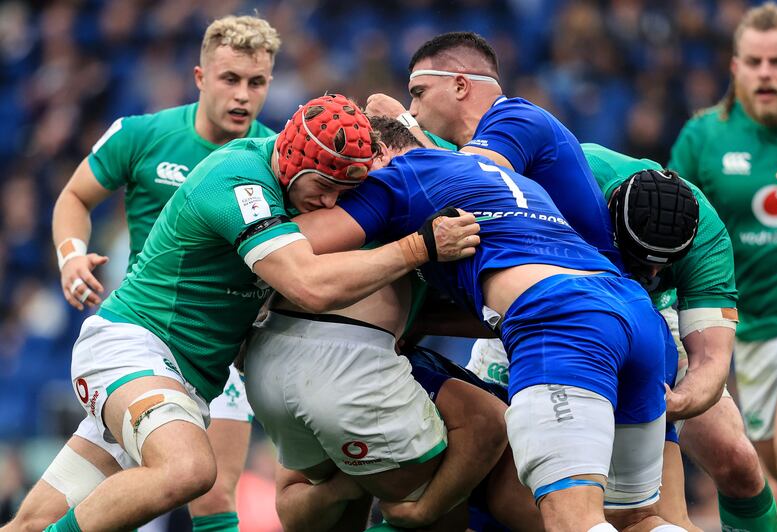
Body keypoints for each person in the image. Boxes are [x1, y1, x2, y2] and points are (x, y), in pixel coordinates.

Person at [12, 94, 480, 532]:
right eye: (325, 187)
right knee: (189, 470)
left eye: (345, 192)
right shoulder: (240, 177)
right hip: (136, 348)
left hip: (177, 377)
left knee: (31, 522)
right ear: (294, 163)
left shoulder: (285, 177)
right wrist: (419, 248)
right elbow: (310, 285)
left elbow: (379, 105)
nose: (330, 203)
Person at [293, 119, 687, 532]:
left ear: (378, 153)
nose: (345, 191)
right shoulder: (500, 177)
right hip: (634, 313)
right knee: (636, 519)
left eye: (353, 176)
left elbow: (296, 244)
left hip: (562, 324)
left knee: (573, 520)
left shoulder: (398, 177)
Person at [6, 15, 280, 532]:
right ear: (200, 78)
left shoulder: (273, 159)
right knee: (198, 477)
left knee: (37, 519)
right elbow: (74, 196)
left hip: (216, 355)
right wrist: (71, 256)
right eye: (230, 79)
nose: (243, 95)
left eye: (257, 82)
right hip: (143, 335)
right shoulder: (143, 135)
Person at [471, 143, 777, 532]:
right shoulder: (558, 182)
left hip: (648, 319)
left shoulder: (706, 236)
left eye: (661, 267)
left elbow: (711, 360)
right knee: (489, 482)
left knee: (735, 458)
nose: (649, 275)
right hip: (543, 313)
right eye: (638, 260)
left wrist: (680, 401)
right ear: (607, 218)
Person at [671, 3, 777, 530]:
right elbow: (674, 230)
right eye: (755, 61)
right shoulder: (703, 138)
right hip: (740, 329)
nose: (766, 73)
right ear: (735, 68)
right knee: (770, 479)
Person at [365, 31, 622, 270]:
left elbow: (465, 187)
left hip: (588, 283)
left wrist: (403, 124)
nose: (413, 109)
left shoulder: (519, 117)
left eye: (419, 93)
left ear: (460, 86)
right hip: (553, 281)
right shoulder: (469, 147)